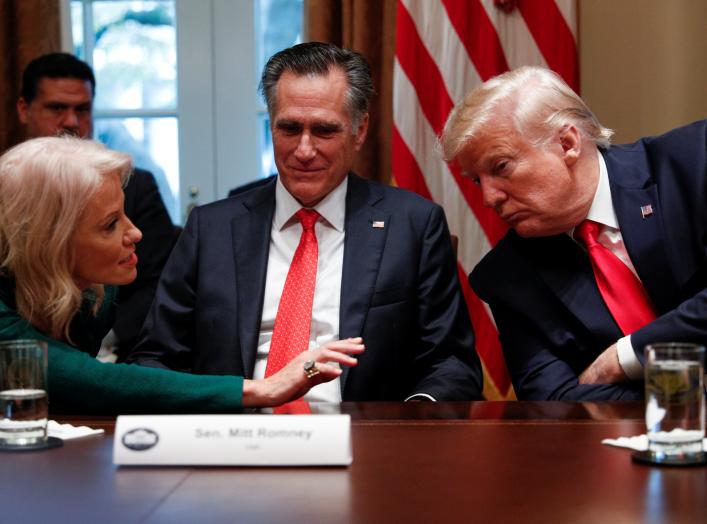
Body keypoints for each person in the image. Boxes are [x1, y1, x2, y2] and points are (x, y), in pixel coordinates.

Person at [128, 42, 482, 401]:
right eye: (290, 128)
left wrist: (405, 427)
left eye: (325, 130)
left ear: (360, 131)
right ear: (271, 126)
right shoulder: (211, 229)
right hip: (236, 433)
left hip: (364, 441)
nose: (304, 150)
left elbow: (451, 363)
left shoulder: (413, 225)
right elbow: (154, 358)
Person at [0, 136, 364, 414]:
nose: (135, 233)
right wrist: (264, 388)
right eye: (110, 225)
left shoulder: (95, 289)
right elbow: (92, 380)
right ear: (50, 242)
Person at [440, 65, 707, 400]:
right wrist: (681, 409)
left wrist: (625, 357)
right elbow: (554, 402)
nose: (488, 198)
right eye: (477, 179)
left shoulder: (694, 164)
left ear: (567, 143)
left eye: (501, 167)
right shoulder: (508, 275)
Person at [16, 52, 175, 357]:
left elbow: (160, 283)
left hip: (116, 349)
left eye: (83, 109)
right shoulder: (7, 191)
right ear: (24, 109)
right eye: (57, 108)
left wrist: (104, 337)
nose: (72, 122)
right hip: (25, 351)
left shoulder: (133, 184)